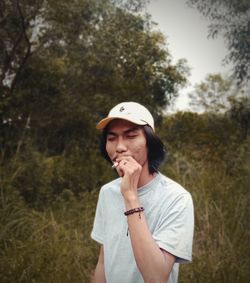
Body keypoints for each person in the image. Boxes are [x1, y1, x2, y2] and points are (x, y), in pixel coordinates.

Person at [91, 102, 194, 283]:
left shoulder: (177, 198)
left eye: (131, 136)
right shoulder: (107, 192)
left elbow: (156, 278)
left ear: (150, 142)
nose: (119, 147)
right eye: (112, 138)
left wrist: (130, 196)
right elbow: (103, 261)